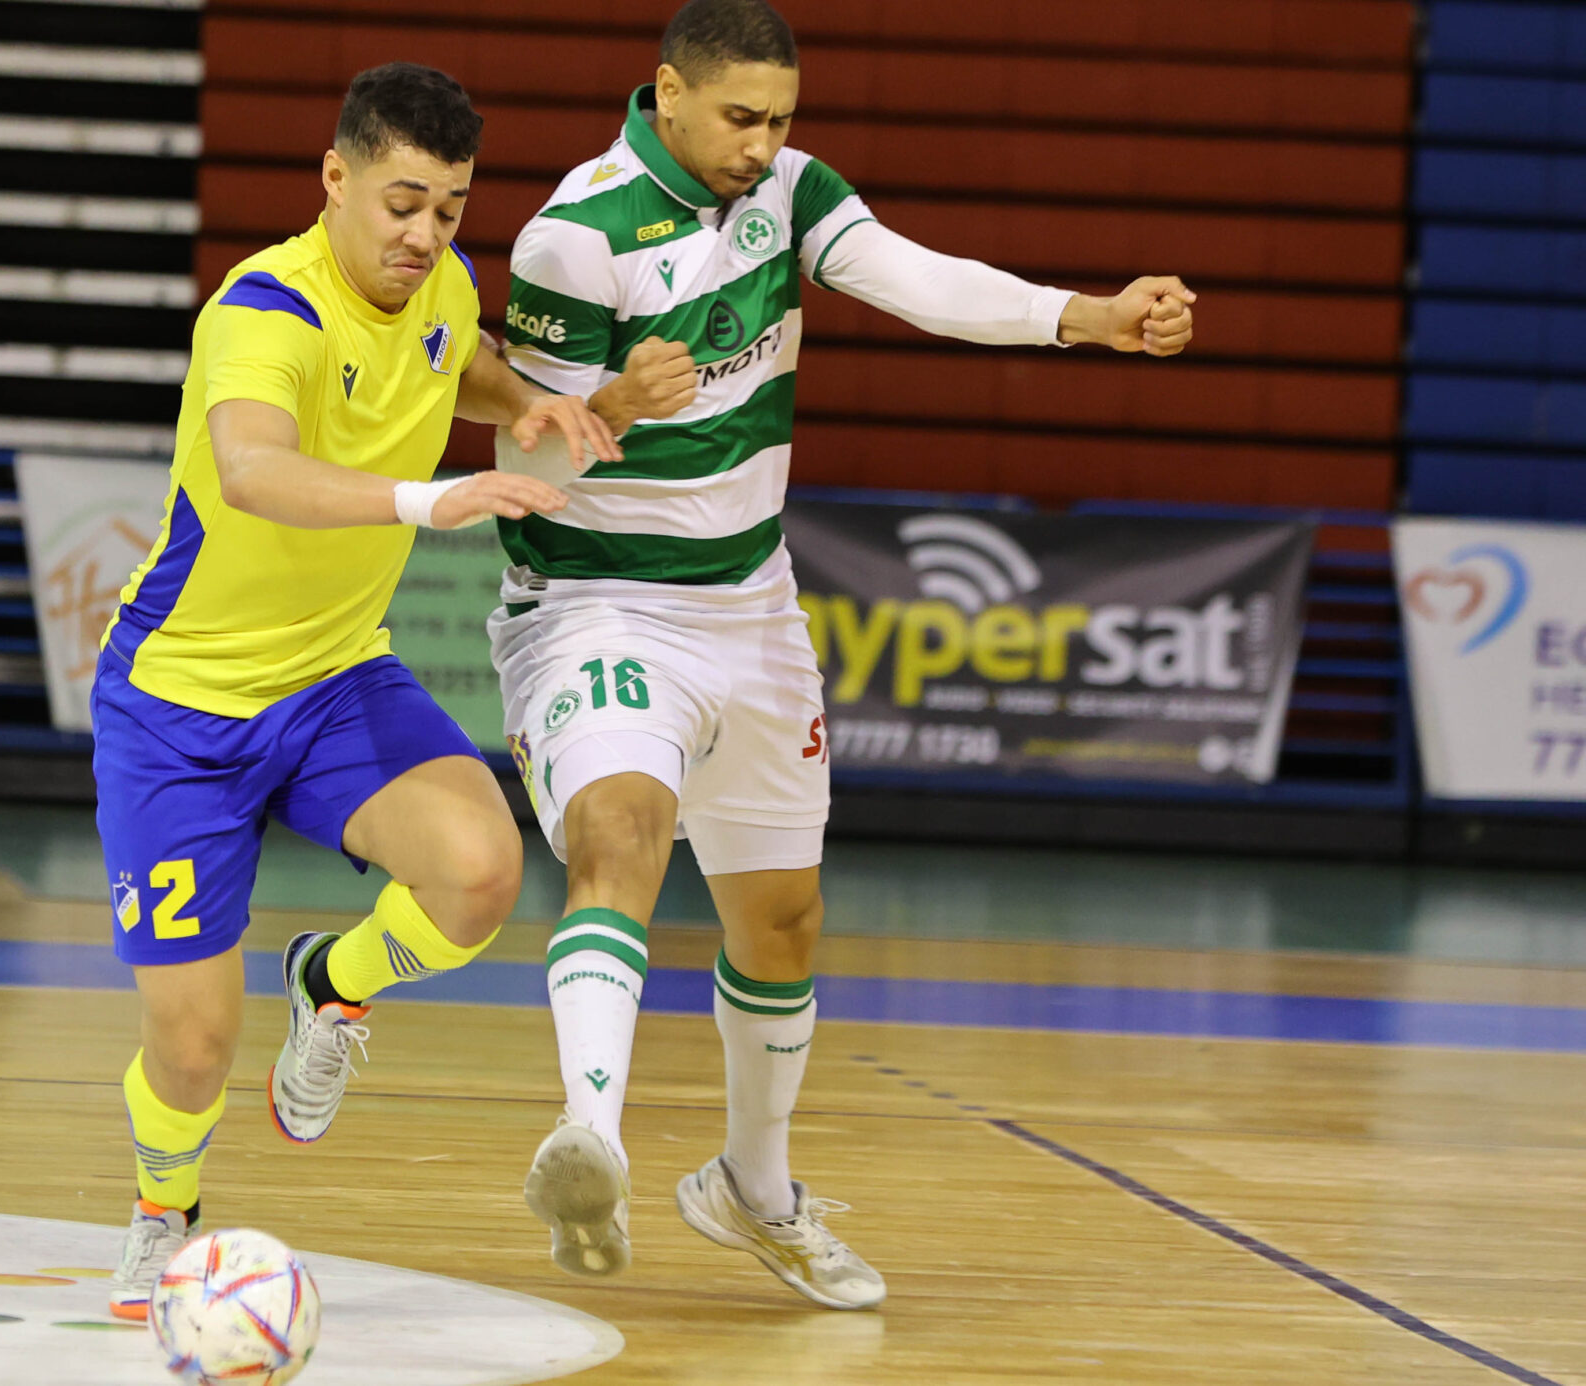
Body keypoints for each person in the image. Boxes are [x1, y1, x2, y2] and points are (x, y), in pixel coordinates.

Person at [494, 0, 1196, 1310]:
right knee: (623, 834)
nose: (764, 145)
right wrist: (604, 408)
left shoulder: (794, 191)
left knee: (785, 917)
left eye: (781, 121)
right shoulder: (574, 239)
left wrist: (1089, 320)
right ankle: (589, 1131)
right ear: (667, 91)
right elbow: (517, 457)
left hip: (751, 608)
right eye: (740, 119)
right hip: (598, 601)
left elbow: (923, 280)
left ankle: (753, 1187)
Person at [92, 62, 619, 1321]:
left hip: (332, 680)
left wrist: (539, 403)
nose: (423, 234)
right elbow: (254, 470)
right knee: (194, 1048)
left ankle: (332, 985)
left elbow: (457, 356)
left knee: (485, 871)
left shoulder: (436, 286)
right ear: (333, 179)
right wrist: (427, 500)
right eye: (399, 203)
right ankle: (166, 1206)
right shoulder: (263, 309)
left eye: (447, 208)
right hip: (180, 707)